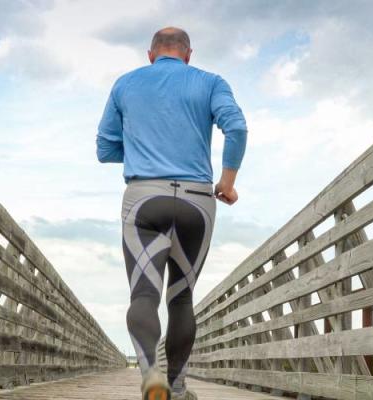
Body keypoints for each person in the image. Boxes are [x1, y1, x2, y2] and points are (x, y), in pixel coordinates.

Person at [96, 26, 248, 400]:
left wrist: (139, 150)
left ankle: (151, 376)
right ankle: (177, 389)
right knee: (180, 299)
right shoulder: (211, 82)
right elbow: (237, 128)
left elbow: (104, 148)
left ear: (151, 55)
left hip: (145, 197)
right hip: (198, 200)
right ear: (188, 54)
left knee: (143, 295)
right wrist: (227, 183)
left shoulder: (125, 84)